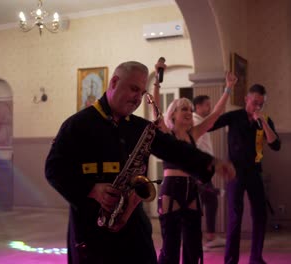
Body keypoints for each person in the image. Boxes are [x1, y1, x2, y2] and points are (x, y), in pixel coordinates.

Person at [45, 61, 235, 264]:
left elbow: (175, 149)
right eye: (134, 89)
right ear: (114, 82)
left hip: (133, 228)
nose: (138, 98)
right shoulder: (77, 125)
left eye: (142, 92)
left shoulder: (140, 128)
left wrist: (211, 162)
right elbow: (54, 169)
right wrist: (92, 189)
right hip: (93, 230)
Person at [153, 69, 238, 264]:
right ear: (172, 114)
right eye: (184, 109)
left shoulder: (194, 133)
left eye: (190, 110)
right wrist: (157, 82)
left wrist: (228, 88)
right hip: (171, 188)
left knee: (193, 244)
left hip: (191, 188)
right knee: (171, 244)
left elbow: (216, 114)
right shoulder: (167, 134)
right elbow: (156, 111)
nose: (189, 113)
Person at [210, 84, 281, 264]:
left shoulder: (264, 120)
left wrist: (263, 122)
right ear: (246, 99)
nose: (257, 107)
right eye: (254, 102)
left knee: (260, 215)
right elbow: (212, 124)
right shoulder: (235, 116)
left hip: (255, 172)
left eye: (261, 104)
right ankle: (230, 261)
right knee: (235, 216)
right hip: (235, 173)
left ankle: (256, 258)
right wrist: (227, 90)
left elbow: (276, 145)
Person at [192, 95, 226, 250]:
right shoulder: (195, 121)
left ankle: (211, 237)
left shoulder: (200, 121)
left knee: (211, 200)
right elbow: (195, 148)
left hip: (204, 171)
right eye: (207, 105)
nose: (209, 108)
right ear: (198, 106)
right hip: (198, 171)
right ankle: (197, 241)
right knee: (197, 205)